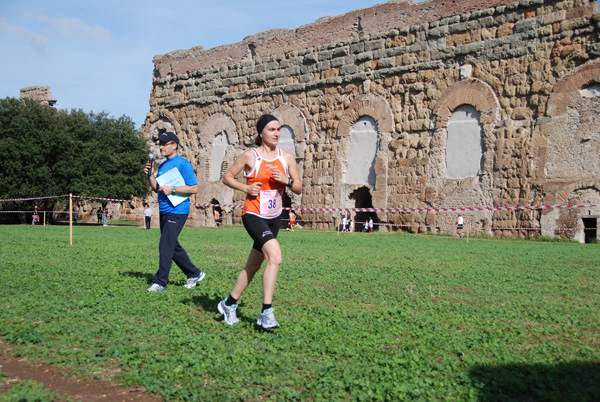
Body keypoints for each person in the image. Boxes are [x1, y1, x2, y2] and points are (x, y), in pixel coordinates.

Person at [218, 114, 302, 329]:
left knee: (254, 265)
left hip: (274, 218)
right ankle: (266, 312)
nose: (276, 133)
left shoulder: (287, 158)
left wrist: (287, 181)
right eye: (271, 129)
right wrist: (245, 188)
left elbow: (299, 187)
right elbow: (227, 177)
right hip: (253, 215)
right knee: (275, 256)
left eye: (278, 129)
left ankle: (229, 303)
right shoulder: (250, 156)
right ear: (261, 133)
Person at [144, 131, 206, 292]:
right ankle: (194, 273)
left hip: (178, 210)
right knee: (172, 245)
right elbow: (156, 187)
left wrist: (173, 189)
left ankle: (160, 282)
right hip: (164, 209)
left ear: (175, 145)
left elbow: (194, 188)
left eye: (165, 144)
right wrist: (151, 175)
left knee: (165, 245)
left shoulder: (183, 164)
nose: (161, 147)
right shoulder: (164, 165)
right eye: (160, 144)